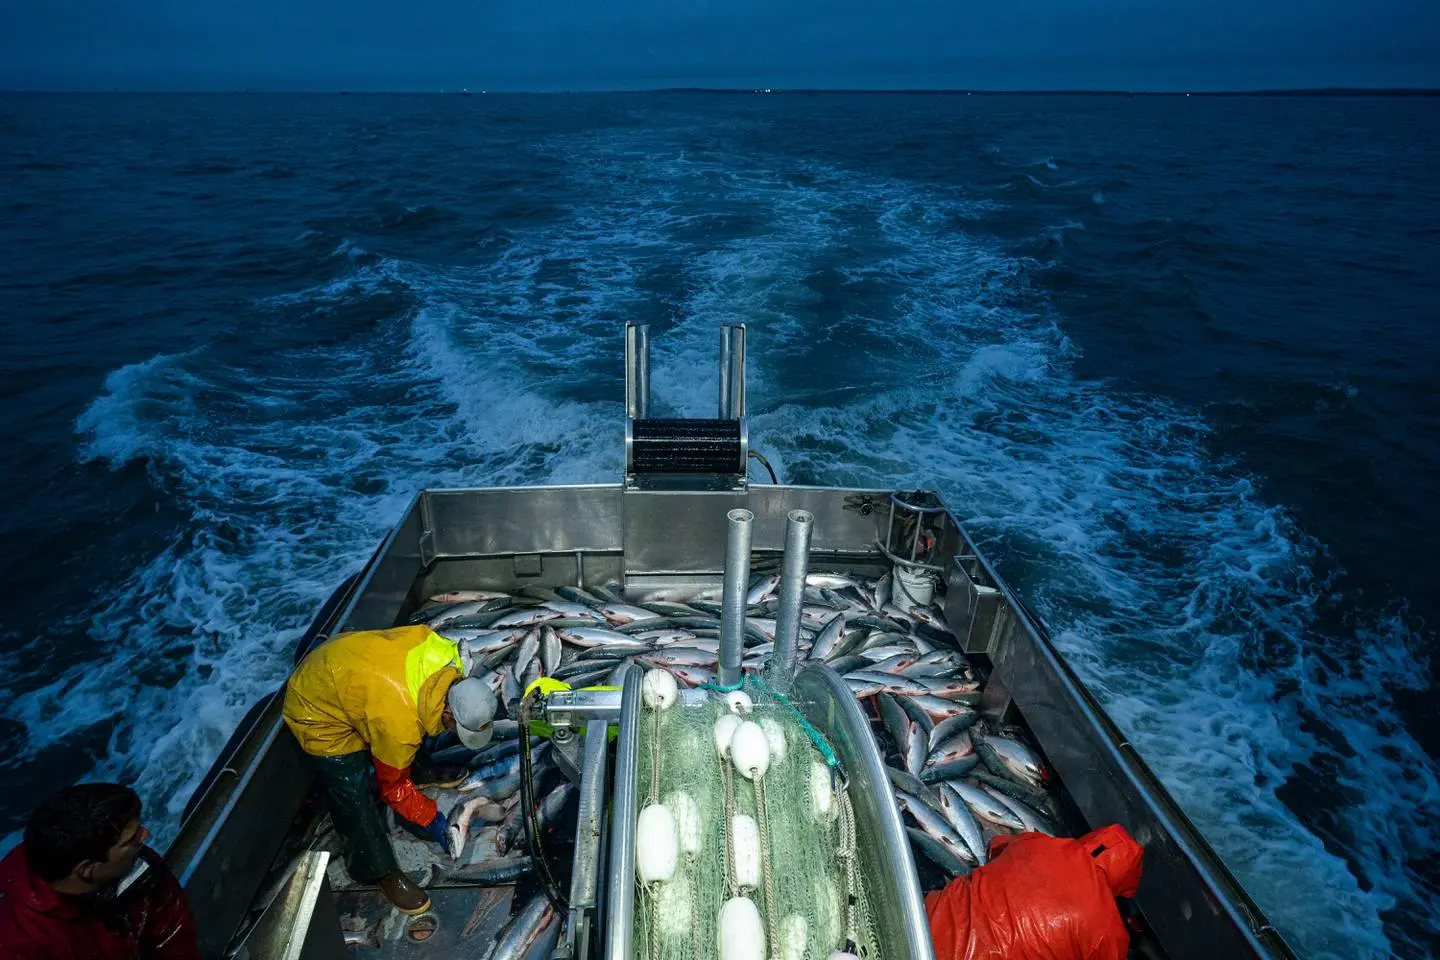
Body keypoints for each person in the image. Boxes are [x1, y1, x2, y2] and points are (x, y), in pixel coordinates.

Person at [282, 623, 497, 915]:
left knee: (416, 722)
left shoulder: (448, 657)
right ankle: (375, 870)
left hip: (346, 660)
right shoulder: (398, 725)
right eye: (456, 726)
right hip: (316, 703)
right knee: (352, 792)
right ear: (449, 711)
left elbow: (417, 704)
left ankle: (420, 771)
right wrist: (434, 820)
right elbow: (392, 790)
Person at [0, 782, 198, 959]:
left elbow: (174, 934)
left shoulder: (138, 865)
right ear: (86, 869)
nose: (146, 834)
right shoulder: (20, 942)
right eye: (131, 840)